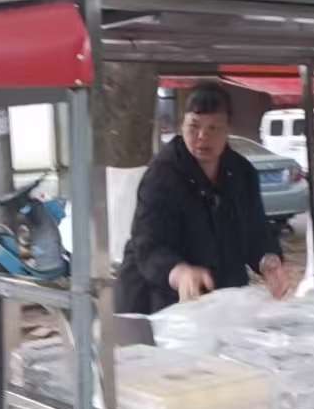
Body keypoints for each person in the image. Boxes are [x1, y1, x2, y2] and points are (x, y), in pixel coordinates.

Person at [115, 82, 291, 315]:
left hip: (222, 294)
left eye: (213, 128)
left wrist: (268, 261)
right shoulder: (162, 175)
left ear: (228, 129)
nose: (202, 136)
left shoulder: (241, 172)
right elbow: (148, 244)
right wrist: (180, 272)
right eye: (194, 126)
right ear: (182, 125)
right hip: (159, 298)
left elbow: (255, 231)